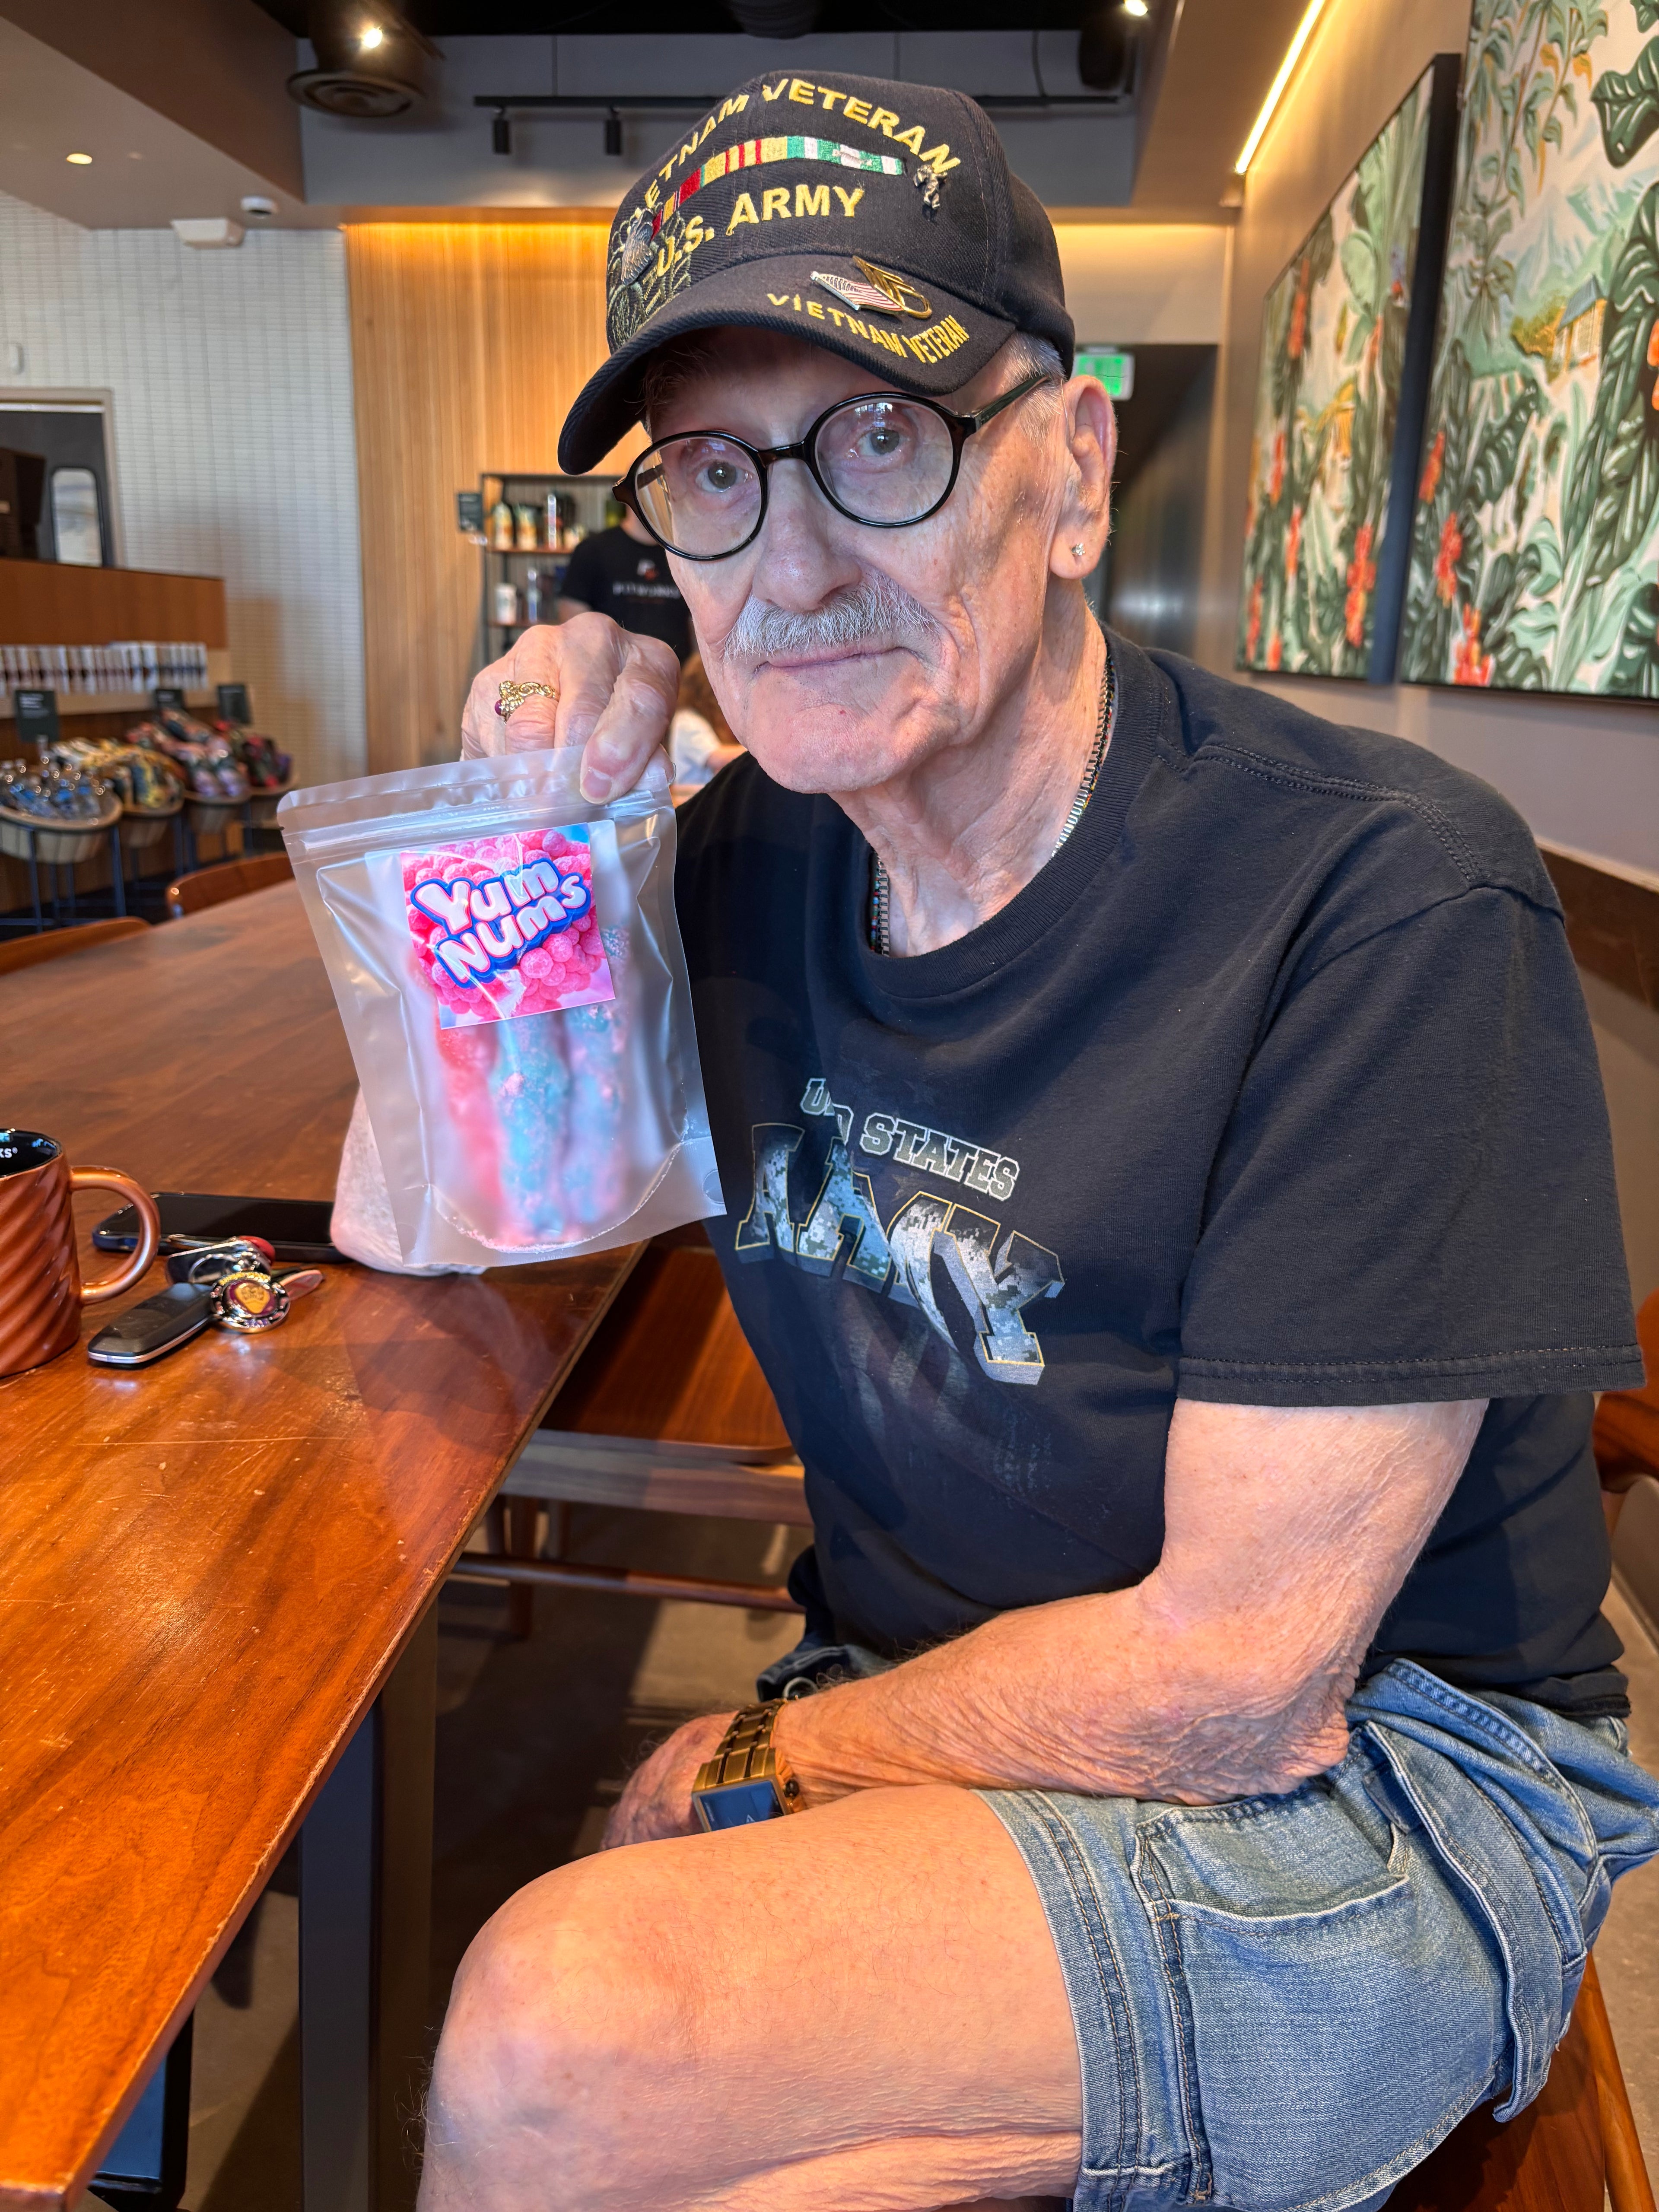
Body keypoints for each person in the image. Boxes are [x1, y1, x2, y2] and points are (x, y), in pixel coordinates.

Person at [424, 70, 1659, 2212]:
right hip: (961, 1691)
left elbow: (1238, 1684)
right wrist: (541, 798)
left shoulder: (1377, 901)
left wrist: (745, 1752)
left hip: (1392, 1769)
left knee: (558, 2038)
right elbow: (465, 1185)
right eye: (714, 476)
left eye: (881, 440)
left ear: (1074, 468)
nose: (794, 560)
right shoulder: (735, 868)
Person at [556, 502, 691, 660]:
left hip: (680, 680)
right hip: (611, 681)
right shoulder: (593, 551)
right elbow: (574, 631)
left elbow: (698, 628)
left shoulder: (689, 554)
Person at [669, 650, 744, 788]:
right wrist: (756, 751)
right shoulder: (687, 720)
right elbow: (716, 757)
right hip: (693, 797)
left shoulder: (707, 718)